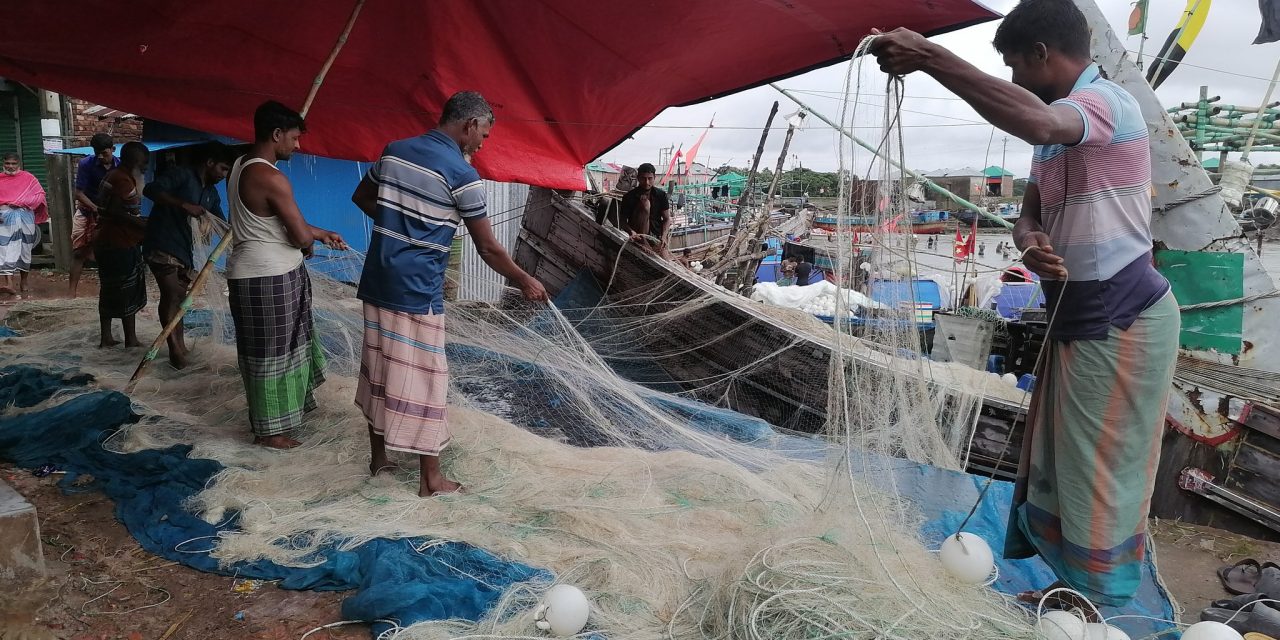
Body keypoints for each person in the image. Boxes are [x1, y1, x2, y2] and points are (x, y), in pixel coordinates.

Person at [872, 0, 1179, 611]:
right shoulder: (1054, 134)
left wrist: (932, 57)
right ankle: (1074, 587)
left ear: (1043, 55)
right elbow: (1031, 215)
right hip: (1075, 317)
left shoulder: (1106, 105)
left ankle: (1099, 603)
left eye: (1015, 66)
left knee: (1100, 470)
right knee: (1060, 461)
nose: (1014, 79)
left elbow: (1040, 123)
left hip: (1123, 320)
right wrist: (1033, 244)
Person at [351, 91, 548, 498]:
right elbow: (489, 248)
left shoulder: (394, 151)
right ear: (469, 125)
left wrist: (398, 223)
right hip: (417, 290)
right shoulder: (462, 176)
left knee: (378, 367)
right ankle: (430, 480)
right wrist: (525, 280)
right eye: (485, 135)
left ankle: (379, 458)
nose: (482, 144)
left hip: (377, 281)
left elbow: (362, 197)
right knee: (428, 380)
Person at [225, 101, 347, 449]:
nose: (298, 145)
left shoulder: (240, 166)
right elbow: (297, 236)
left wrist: (319, 233)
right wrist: (308, 239)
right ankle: (269, 433)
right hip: (270, 277)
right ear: (276, 134)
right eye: (294, 138)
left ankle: (276, 422)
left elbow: (271, 224)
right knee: (273, 354)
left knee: (266, 350)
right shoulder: (270, 176)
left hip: (250, 271)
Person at [143, 142, 233, 368]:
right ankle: (175, 351)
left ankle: (180, 345)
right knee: (172, 294)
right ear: (209, 162)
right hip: (162, 242)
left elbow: (221, 223)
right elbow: (150, 190)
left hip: (185, 250)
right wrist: (183, 204)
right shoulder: (181, 175)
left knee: (180, 298)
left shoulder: (211, 193)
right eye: (223, 168)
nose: (224, 175)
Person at [94, 141, 150, 348]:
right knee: (126, 289)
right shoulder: (123, 180)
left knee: (109, 288)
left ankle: (106, 337)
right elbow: (117, 213)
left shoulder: (115, 176)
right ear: (134, 161)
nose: (145, 168)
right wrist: (145, 225)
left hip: (107, 240)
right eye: (144, 163)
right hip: (118, 242)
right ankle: (131, 339)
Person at [71, 133, 118, 297]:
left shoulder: (120, 166)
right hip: (86, 211)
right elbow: (78, 193)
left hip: (111, 215)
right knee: (78, 252)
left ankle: (109, 292)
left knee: (110, 253)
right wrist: (95, 208)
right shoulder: (86, 164)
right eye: (97, 152)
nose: (100, 156)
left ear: (113, 149)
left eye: (104, 153)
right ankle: (71, 293)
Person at [0, 152, 48, 295]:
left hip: (25, 216)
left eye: (13, 163)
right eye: (7, 163)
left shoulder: (29, 178)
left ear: (19, 164)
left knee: (25, 249)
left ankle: (24, 282)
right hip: (4, 217)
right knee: (5, 249)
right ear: (3, 163)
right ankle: (8, 283)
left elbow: (39, 195)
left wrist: (22, 202)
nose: (10, 166)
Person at [619, 163, 672, 252]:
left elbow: (666, 219)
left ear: (654, 177)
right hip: (638, 236)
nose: (647, 182)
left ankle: (656, 245)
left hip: (655, 236)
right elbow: (622, 221)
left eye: (650, 178)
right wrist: (631, 232)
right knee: (645, 203)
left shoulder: (661, 195)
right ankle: (643, 242)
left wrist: (663, 236)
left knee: (664, 260)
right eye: (643, 178)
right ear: (638, 178)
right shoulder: (628, 197)